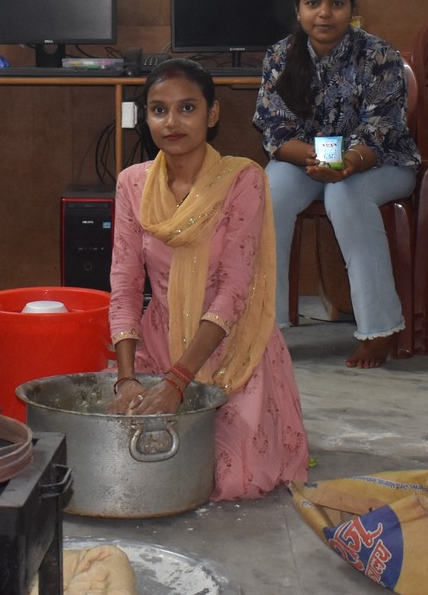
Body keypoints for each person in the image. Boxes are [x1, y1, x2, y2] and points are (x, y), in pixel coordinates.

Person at [109, 59, 309, 500]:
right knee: (128, 465)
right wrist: (126, 379)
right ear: (146, 117)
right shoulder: (131, 184)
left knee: (229, 479)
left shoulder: (242, 180)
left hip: (232, 344)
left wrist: (178, 381)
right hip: (160, 342)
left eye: (187, 108)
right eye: (159, 110)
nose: (172, 122)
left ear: (211, 114)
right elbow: (124, 284)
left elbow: (236, 289)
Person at [253, 0, 421, 368]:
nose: (324, 13)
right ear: (298, 9)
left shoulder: (378, 54)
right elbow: (275, 129)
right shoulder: (280, 55)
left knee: (344, 195)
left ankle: (379, 329)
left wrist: (347, 164)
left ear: (352, 9)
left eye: (336, 3)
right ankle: (266, 330)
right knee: (268, 193)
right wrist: (316, 159)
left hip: (381, 162)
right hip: (307, 160)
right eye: (313, 3)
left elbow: (383, 128)